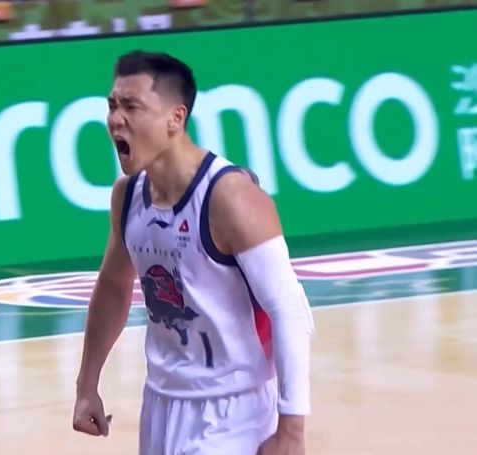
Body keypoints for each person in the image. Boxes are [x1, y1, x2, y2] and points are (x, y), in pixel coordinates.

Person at [72, 50, 315, 455]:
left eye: (131, 106)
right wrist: (86, 385)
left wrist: (292, 428)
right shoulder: (127, 195)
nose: (116, 119)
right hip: (161, 403)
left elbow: (288, 308)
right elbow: (114, 287)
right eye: (112, 105)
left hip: (233, 410)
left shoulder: (230, 197)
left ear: (175, 118)